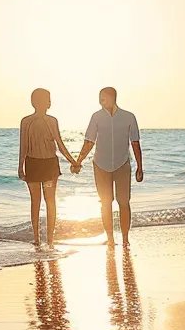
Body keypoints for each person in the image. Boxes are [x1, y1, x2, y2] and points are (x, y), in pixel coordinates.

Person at [72, 87, 143, 246]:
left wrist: (139, 166)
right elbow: (89, 141)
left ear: (112, 98)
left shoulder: (128, 117)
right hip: (100, 165)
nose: (100, 101)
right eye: (99, 98)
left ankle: (125, 239)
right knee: (106, 202)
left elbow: (135, 143)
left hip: (122, 164)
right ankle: (110, 238)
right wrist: (79, 161)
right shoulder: (96, 117)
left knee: (124, 202)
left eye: (103, 98)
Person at [18, 88, 78, 247]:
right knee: (38, 201)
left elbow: (59, 144)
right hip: (34, 165)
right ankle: (38, 239)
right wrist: (20, 167)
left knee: (48, 201)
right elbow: (23, 145)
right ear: (36, 102)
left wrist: (73, 161)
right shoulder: (26, 121)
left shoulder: (51, 121)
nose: (49, 102)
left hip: (49, 166)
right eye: (47, 99)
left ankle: (48, 239)